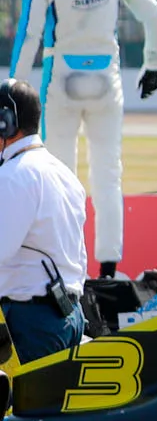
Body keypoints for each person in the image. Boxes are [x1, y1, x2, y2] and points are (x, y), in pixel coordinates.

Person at [8, 0, 157, 280]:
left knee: (60, 177)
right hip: (106, 79)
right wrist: (153, 65)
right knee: (108, 175)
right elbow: (154, 15)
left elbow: (29, 38)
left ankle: (65, 271)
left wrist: (13, 91)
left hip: (59, 80)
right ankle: (109, 270)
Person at [0, 79, 88, 362]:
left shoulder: (13, 176)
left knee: (26, 407)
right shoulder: (65, 175)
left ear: (7, 123)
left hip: (31, 321)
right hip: (70, 316)